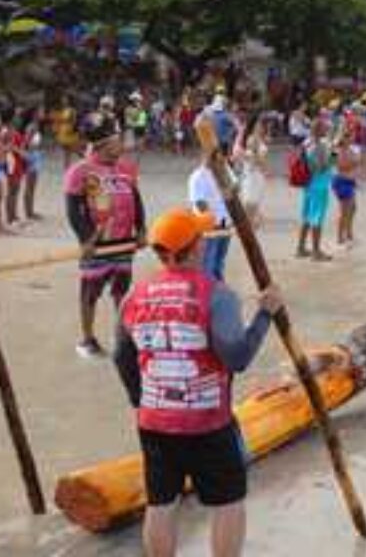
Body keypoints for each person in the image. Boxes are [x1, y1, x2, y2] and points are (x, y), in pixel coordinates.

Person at [112, 207, 283, 557]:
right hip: (207, 422)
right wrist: (265, 315)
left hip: (154, 421)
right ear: (196, 247)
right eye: (200, 237)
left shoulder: (134, 295)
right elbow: (237, 357)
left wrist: (140, 399)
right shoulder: (217, 295)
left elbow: (121, 355)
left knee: (161, 503)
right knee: (228, 503)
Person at [64, 116, 146, 357]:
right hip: (97, 246)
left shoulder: (125, 168)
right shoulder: (80, 171)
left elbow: (136, 199)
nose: (122, 144)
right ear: (103, 144)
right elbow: (73, 209)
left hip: (124, 243)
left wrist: (141, 229)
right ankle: (87, 339)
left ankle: (122, 335)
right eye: (117, 140)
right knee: (90, 293)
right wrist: (86, 239)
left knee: (122, 291)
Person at [187, 152, 233, 282]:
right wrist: (212, 222)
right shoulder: (197, 176)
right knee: (208, 261)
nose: (219, 159)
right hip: (208, 224)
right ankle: (208, 287)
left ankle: (218, 285)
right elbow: (199, 203)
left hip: (224, 220)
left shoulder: (223, 171)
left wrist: (230, 190)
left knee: (219, 260)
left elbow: (234, 189)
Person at [296, 121, 335, 260]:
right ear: (319, 130)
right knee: (317, 217)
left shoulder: (306, 143)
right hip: (319, 184)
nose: (327, 131)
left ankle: (300, 248)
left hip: (308, 184)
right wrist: (333, 155)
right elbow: (322, 167)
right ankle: (316, 251)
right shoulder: (317, 146)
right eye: (325, 128)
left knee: (307, 216)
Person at [332, 129, 359, 247]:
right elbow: (339, 166)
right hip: (341, 181)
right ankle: (340, 236)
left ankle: (348, 231)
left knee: (353, 208)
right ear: (344, 139)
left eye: (352, 137)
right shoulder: (337, 151)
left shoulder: (350, 149)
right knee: (344, 211)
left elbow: (354, 163)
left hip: (349, 181)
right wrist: (354, 163)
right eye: (349, 137)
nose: (352, 139)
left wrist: (354, 162)